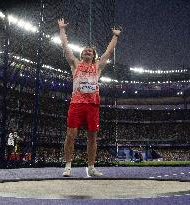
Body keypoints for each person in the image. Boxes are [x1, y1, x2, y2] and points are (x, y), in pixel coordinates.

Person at [58, 18, 121, 177]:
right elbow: (65, 47)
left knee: (92, 137)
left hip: (92, 105)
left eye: (91, 51)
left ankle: (91, 168)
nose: (88, 51)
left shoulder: (97, 67)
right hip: (76, 104)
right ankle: (67, 166)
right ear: (82, 54)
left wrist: (115, 36)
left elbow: (108, 53)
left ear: (93, 56)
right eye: (86, 50)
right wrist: (62, 30)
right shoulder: (75, 64)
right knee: (70, 135)